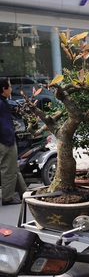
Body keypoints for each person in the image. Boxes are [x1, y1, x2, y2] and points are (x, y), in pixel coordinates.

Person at [0, 77, 28, 205]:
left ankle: (25, 193)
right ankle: (8, 198)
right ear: (3, 89)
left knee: (14, 168)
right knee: (9, 170)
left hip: (8, 139)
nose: (11, 88)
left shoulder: (4, 102)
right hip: (5, 141)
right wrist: (8, 137)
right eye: (9, 86)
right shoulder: (1, 103)